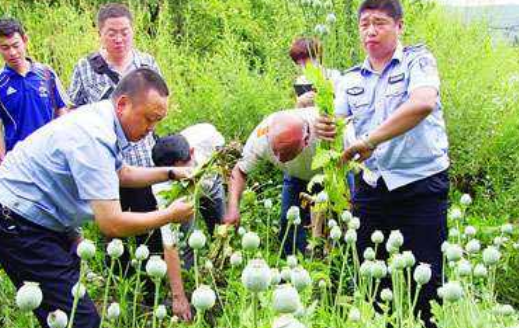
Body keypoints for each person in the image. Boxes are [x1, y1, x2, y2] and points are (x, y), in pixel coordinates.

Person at [0, 68, 194, 328]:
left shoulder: (103, 118)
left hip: (38, 218)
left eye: (157, 121)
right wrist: (171, 215)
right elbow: (112, 224)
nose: (152, 129)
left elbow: (120, 173)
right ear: (123, 104)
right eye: (149, 119)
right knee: (81, 322)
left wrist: (171, 173)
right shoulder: (94, 136)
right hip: (20, 221)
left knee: (69, 312)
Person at [316, 1, 449, 327]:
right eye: (364, 24)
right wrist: (324, 129)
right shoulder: (349, 79)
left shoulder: (419, 61)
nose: (370, 31)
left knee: (426, 282)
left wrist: (371, 140)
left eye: (380, 23)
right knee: (373, 279)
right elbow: (334, 128)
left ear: (399, 26)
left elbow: (422, 103)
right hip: (372, 187)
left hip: (420, 184)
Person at [68, 2, 164, 298]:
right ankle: (123, 291)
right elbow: (73, 112)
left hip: (143, 162)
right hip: (105, 166)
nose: (119, 39)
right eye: (112, 33)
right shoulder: (86, 67)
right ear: (100, 33)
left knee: (151, 228)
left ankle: (152, 291)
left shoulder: (146, 63)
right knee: (114, 233)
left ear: (133, 31)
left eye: (124, 32)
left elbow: (159, 106)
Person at [224, 107, 354, 255]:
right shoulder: (261, 137)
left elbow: (355, 159)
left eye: (286, 153)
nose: (279, 159)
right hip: (295, 176)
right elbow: (240, 171)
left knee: (343, 222)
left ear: (306, 140)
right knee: (289, 221)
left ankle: (337, 263)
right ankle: (295, 264)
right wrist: (233, 206)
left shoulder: (325, 128)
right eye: (275, 151)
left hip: (332, 174)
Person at [151, 123, 226, 321]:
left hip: (212, 185)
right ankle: (191, 288)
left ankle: (223, 277)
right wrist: (179, 297)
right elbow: (171, 244)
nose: (182, 178)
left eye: (184, 171)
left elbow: (230, 164)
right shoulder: (163, 190)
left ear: (191, 153)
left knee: (223, 230)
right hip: (181, 201)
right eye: (175, 176)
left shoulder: (208, 136)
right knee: (185, 242)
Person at [0, 17, 69, 163]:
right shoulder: (1, 83)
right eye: (5, 48)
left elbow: (62, 110)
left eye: (15, 45)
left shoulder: (46, 74)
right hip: (17, 161)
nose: (12, 52)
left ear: (25, 41)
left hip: (51, 157)